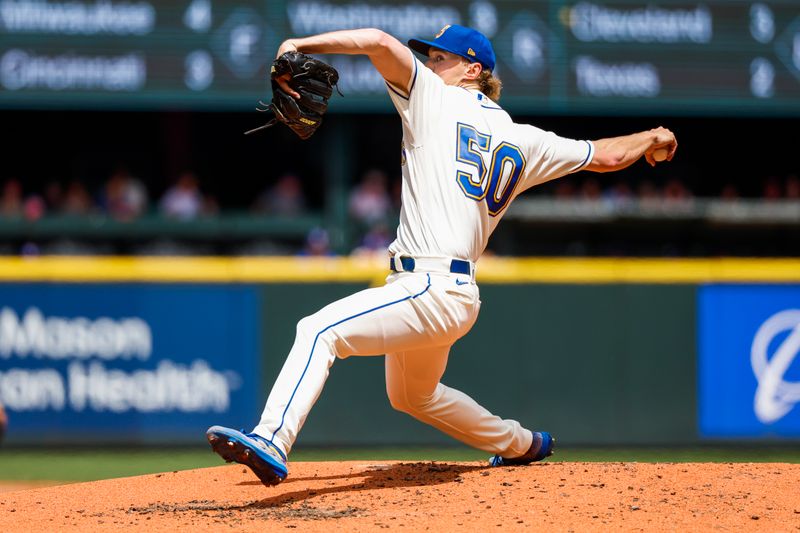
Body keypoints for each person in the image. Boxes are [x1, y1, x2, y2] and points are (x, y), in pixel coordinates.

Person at [207, 24, 678, 486]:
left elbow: (376, 41)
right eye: (430, 59)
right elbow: (606, 155)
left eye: (440, 58)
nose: (430, 65)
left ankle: (271, 438)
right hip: (455, 293)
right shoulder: (525, 138)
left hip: (428, 286)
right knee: (413, 395)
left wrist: (299, 43)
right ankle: (523, 443)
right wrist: (653, 135)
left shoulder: (433, 98)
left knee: (317, 331)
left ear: (473, 69)